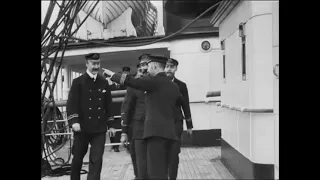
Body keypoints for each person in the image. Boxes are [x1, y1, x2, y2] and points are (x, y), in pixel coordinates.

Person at [102, 55, 184, 179]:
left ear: (155, 66)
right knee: (163, 168)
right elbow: (179, 106)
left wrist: (113, 75)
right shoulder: (174, 86)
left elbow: (133, 81)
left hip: (155, 134)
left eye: (149, 67)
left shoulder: (154, 82)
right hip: (170, 133)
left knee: (155, 171)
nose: (147, 70)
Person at [66, 53, 116, 180]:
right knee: (77, 157)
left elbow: (109, 105)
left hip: (99, 128)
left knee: (97, 159)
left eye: (98, 63)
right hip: (82, 127)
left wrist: (111, 125)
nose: (96, 66)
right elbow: (72, 104)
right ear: (87, 64)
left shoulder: (104, 82)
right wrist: (74, 121)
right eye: (93, 63)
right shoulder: (78, 82)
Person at [120, 54, 150, 179]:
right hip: (138, 131)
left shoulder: (159, 83)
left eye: (147, 64)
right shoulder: (134, 85)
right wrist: (124, 132)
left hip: (156, 130)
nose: (144, 68)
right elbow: (127, 109)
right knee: (140, 167)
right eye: (142, 65)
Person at [165, 58, 194, 180]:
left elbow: (185, 105)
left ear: (176, 68)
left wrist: (189, 126)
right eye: (167, 66)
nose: (169, 69)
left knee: (174, 154)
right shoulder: (158, 84)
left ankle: (172, 177)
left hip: (176, 123)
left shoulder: (181, 86)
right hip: (161, 123)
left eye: (172, 67)